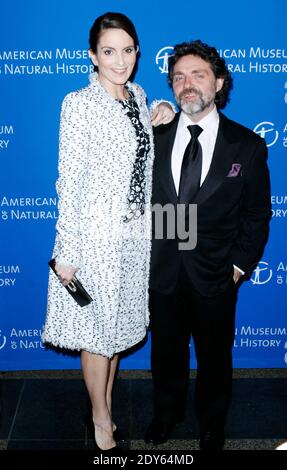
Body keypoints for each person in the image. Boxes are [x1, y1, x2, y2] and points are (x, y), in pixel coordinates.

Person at [42, 12, 174, 451]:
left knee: (116, 330)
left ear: (138, 52)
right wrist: (66, 251)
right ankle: (100, 420)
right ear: (93, 56)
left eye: (128, 50)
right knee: (97, 335)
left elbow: (144, 142)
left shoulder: (137, 95)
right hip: (95, 238)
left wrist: (164, 109)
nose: (121, 60)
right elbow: (69, 180)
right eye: (109, 51)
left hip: (134, 239)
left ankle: (106, 403)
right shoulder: (79, 104)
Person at [145, 40, 271, 450]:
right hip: (162, 268)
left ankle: (211, 423)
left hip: (217, 272)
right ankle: (166, 415)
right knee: (166, 353)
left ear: (218, 83)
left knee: (216, 356)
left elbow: (255, 215)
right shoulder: (154, 136)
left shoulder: (247, 145)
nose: (187, 85)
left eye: (198, 75)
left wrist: (237, 267)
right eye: (178, 77)